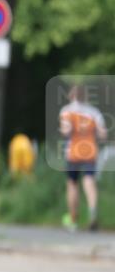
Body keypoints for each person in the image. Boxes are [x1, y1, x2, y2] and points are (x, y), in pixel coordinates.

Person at [59, 84, 106, 232]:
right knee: (89, 182)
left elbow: (65, 132)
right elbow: (102, 134)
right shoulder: (94, 112)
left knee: (72, 184)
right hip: (90, 152)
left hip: (73, 152)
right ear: (85, 96)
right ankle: (92, 213)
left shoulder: (67, 111)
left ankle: (73, 219)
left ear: (71, 95)